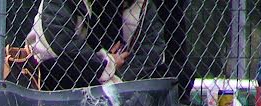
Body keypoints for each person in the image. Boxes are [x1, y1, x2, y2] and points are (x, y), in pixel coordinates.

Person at [25, 0, 170, 91]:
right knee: (59, 67)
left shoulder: (141, 5)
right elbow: (59, 42)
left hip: (114, 78)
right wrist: (107, 64)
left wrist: (118, 79)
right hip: (54, 74)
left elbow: (152, 52)